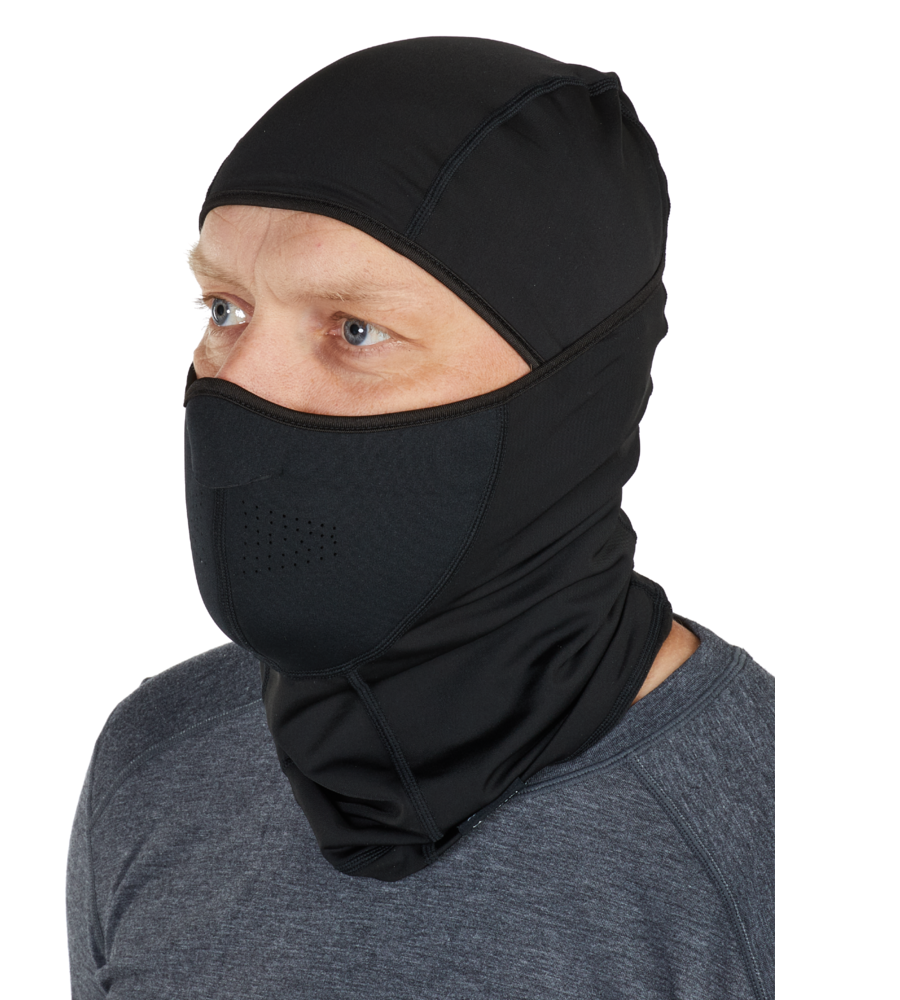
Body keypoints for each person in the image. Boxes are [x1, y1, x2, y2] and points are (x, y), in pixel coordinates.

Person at [67, 37, 774, 999]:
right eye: (226, 309)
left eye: (355, 329)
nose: (241, 390)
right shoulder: (157, 760)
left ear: (574, 391)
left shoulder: (772, 833)